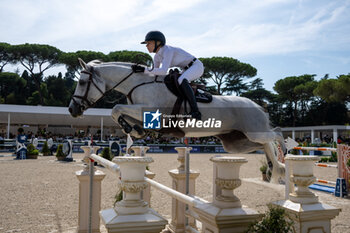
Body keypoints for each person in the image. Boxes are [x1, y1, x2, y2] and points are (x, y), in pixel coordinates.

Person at [132, 30, 204, 120]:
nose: (146, 46)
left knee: (181, 80)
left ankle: (195, 111)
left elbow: (163, 71)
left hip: (196, 66)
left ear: (157, 42)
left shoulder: (168, 51)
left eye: (148, 43)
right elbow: (154, 73)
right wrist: (140, 73)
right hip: (186, 69)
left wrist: (143, 69)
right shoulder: (157, 57)